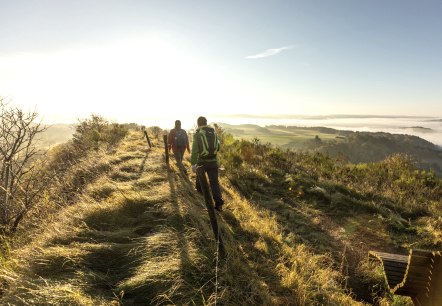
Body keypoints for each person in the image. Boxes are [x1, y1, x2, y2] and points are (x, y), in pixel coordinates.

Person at [190, 116, 224, 211]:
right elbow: (218, 147)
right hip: (213, 161)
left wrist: (193, 164)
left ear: (198, 124)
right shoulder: (213, 132)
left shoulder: (197, 134)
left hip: (202, 162)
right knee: (214, 183)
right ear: (206, 122)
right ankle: (219, 204)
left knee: (200, 180)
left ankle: (200, 198)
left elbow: (194, 151)